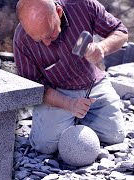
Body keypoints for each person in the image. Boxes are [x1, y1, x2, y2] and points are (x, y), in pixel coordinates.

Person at [14, 0, 128, 154]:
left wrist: (102, 47)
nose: (46, 43)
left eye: (50, 33)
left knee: (115, 136)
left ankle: (78, 120)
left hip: (94, 84)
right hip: (59, 94)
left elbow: (120, 31)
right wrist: (70, 104)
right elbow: (34, 89)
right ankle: (72, 118)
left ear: (58, 12)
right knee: (44, 146)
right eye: (39, 39)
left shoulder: (83, 5)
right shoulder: (21, 39)